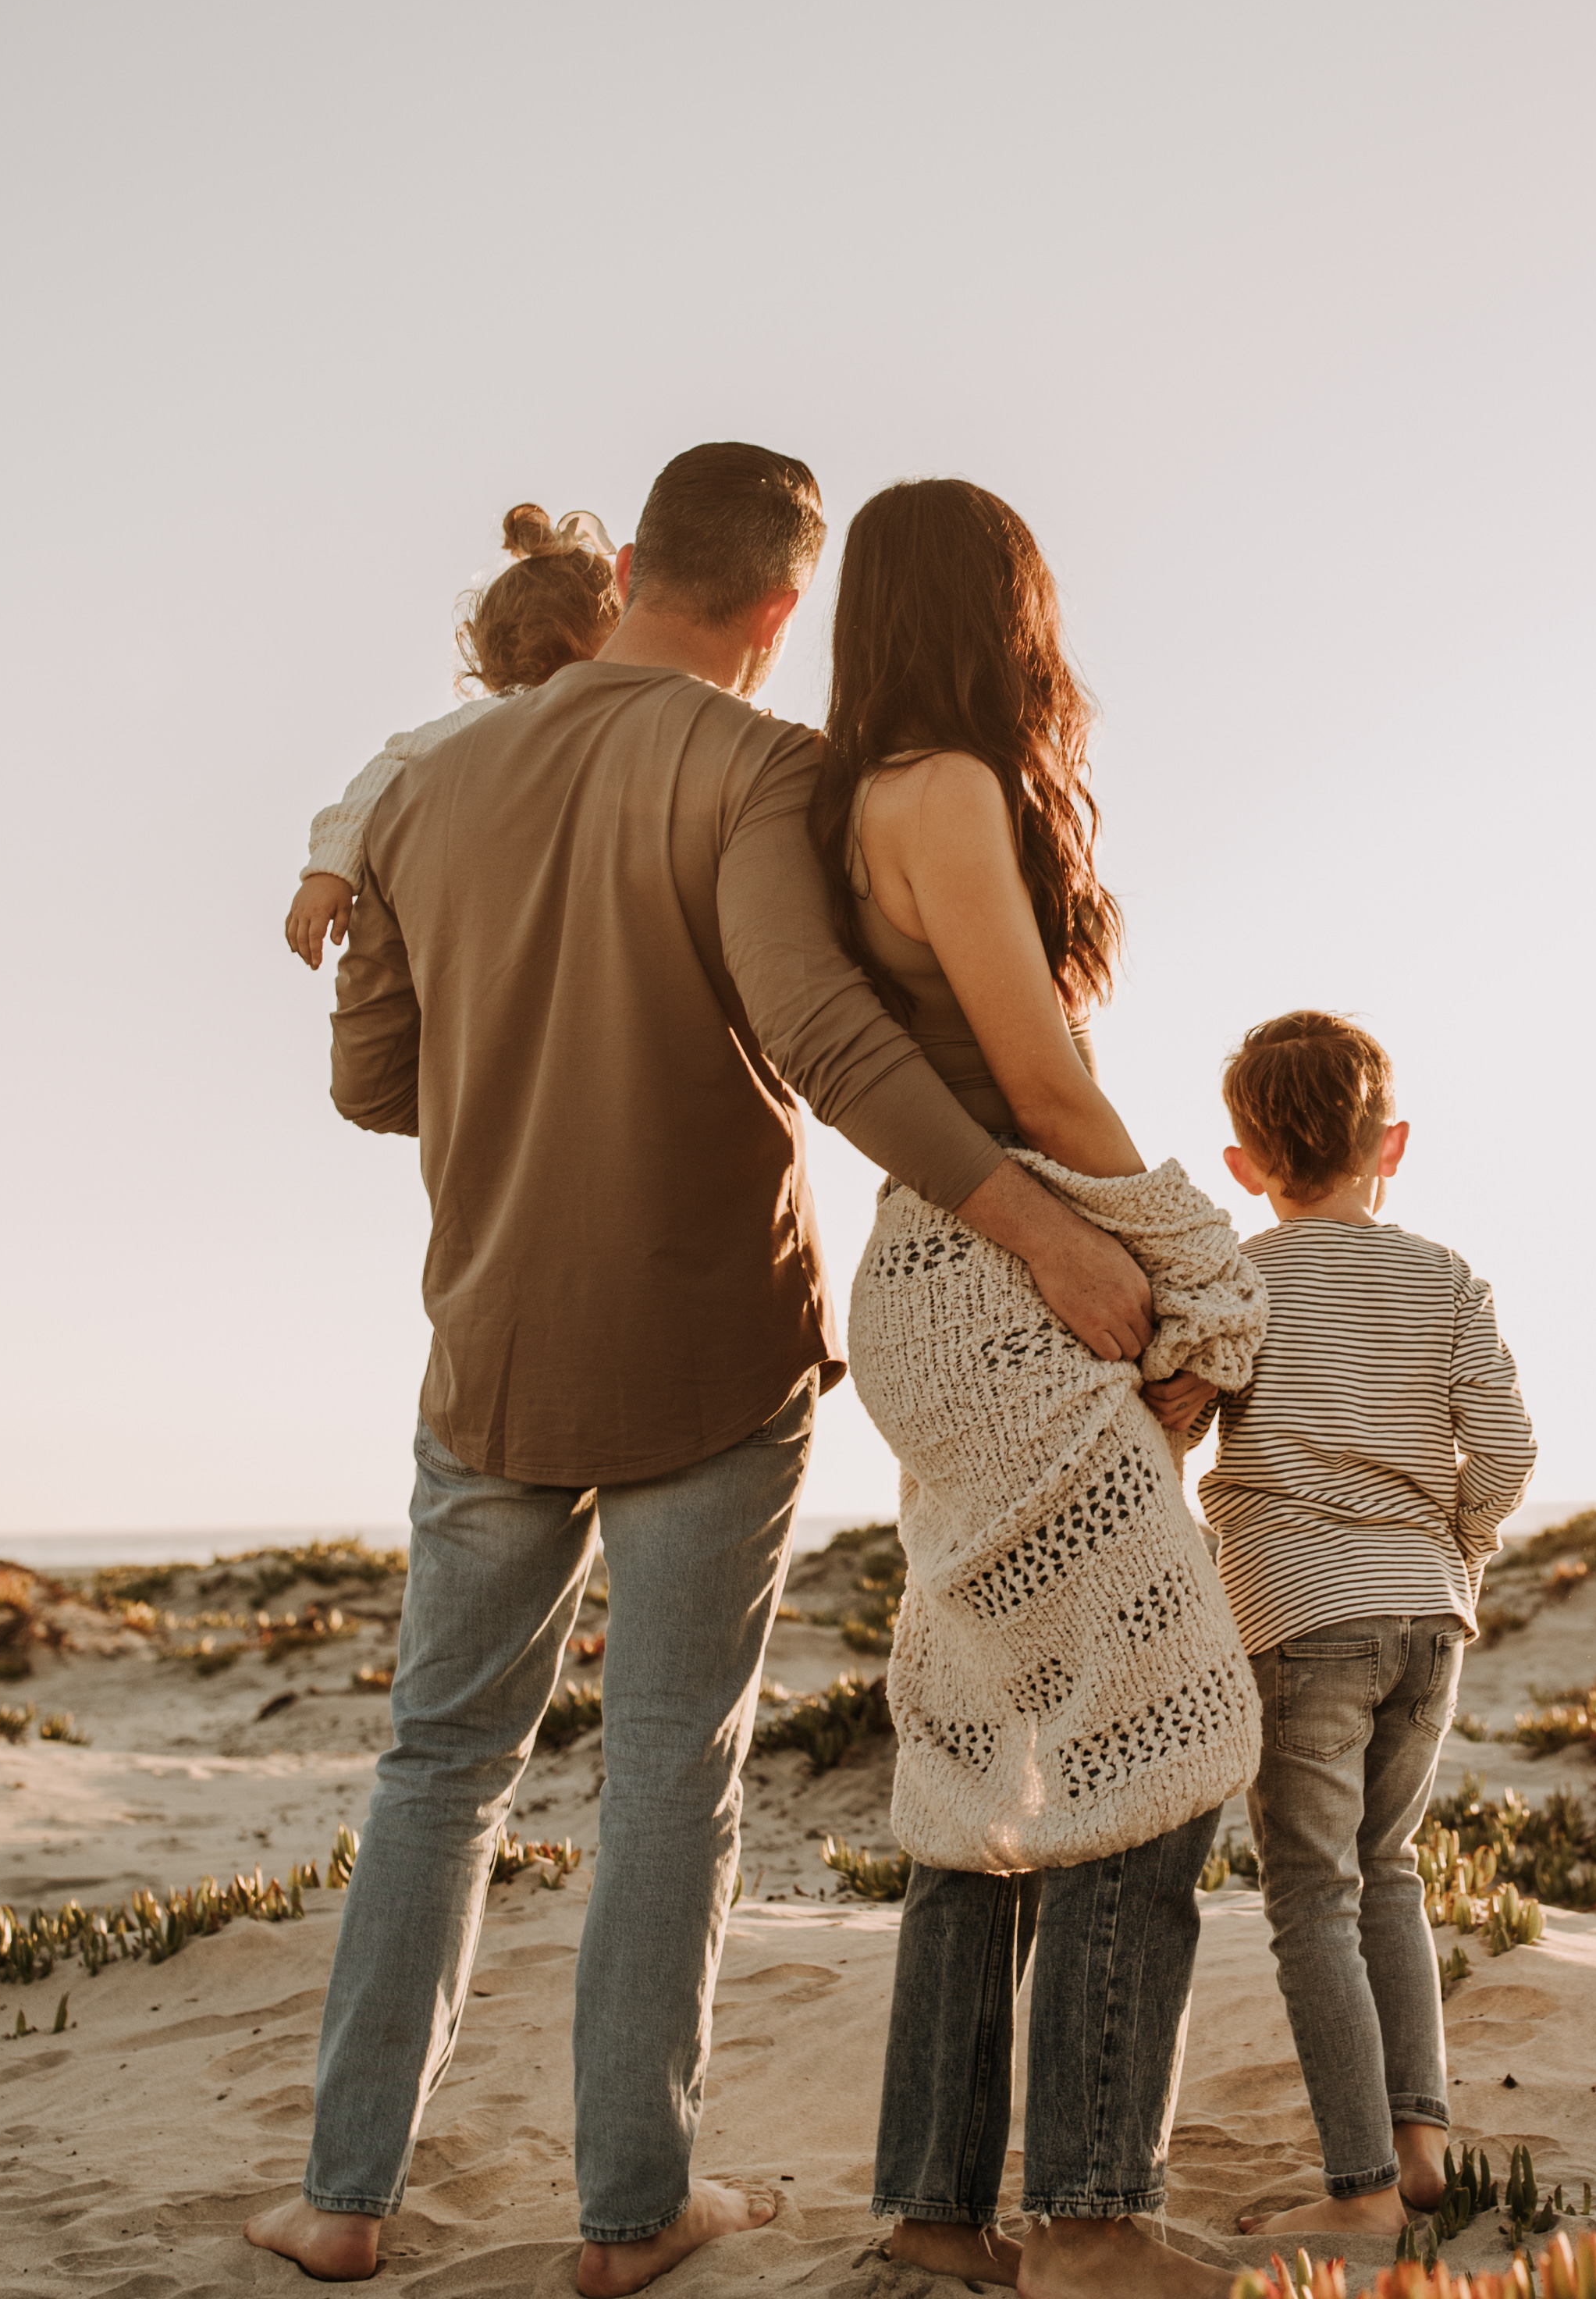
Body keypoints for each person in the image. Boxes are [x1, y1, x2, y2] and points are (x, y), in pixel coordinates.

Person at [245, 444, 1159, 2292]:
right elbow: (827, 1039)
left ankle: (345, 2196)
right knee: (671, 1769)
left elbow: (372, 1090)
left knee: (439, 1766)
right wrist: (1049, 1225)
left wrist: (411, 952)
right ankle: (631, 2206)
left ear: (634, 562)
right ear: (774, 610)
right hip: (712, 1344)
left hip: (487, 1339)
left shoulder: (425, 780)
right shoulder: (760, 767)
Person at [818, 478, 1264, 2299]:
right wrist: (1191, 1251)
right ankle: (1084, 2212)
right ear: (1004, 613)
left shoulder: (847, 804)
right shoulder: (950, 792)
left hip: (924, 1279)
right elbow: (1039, 1083)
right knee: (1155, 1737)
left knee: (985, 1734)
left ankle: (934, 2211)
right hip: (1002, 1272)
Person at [1195, 1012, 1536, 2237]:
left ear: (1244, 1165)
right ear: (1392, 1145)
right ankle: (1420, 2142)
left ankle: (1361, 2196)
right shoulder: (1447, 1278)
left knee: (1311, 1897)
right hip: (1428, 1612)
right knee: (1388, 1872)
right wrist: (1460, 1550)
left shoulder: (1241, 1276)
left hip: (1299, 1612)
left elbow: (1181, 1411)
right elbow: (1504, 1449)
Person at [283, 504, 619, 969]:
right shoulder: (493, 720)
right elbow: (390, 770)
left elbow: (388, 769)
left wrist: (329, 873)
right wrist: (330, 870)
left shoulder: (595, 720)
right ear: (600, 636)